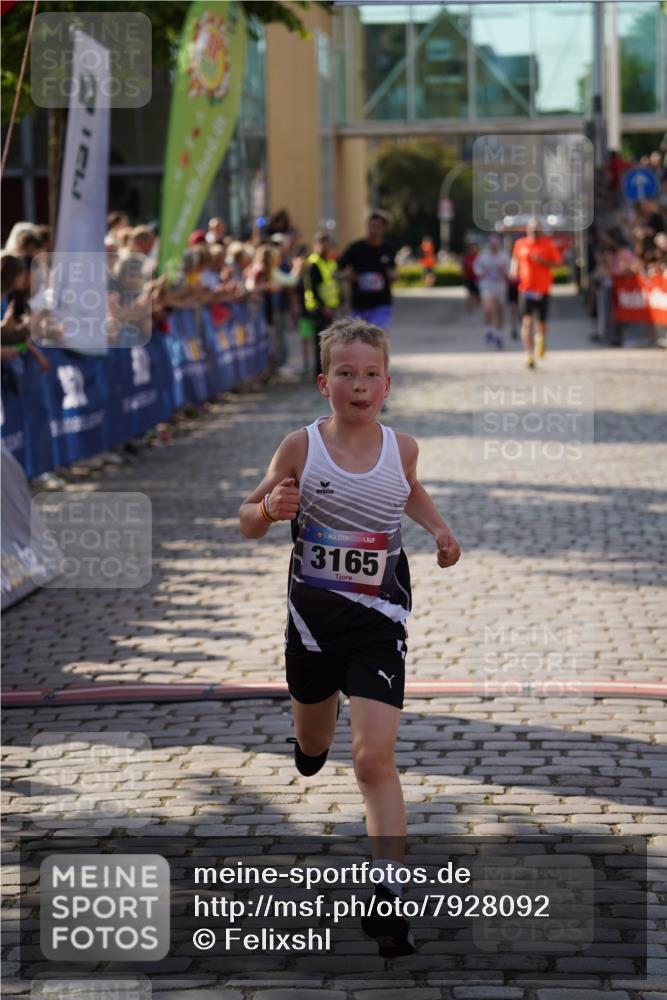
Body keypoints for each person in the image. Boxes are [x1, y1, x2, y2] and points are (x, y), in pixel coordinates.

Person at [238, 317, 461, 957]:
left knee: (372, 759)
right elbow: (249, 518)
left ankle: (386, 898)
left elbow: (408, 490)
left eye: (370, 375)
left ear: (387, 385)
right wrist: (269, 510)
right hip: (312, 624)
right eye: (345, 374)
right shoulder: (299, 449)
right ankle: (311, 740)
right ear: (323, 383)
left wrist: (439, 530)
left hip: (378, 624)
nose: (358, 386)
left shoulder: (404, 447)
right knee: (315, 739)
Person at [509, 219, 561, 369]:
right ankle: (529, 355)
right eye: (531, 229)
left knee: (542, 323)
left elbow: (558, 263)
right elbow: (515, 259)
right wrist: (513, 270)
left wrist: (543, 261)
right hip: (526, 289)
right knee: (527, 321)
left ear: (541, 231)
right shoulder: (520, 244)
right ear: (527, 230)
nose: (534, 231)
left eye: (537, 229)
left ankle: (540, 338)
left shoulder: (548, 244)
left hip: (543, 289)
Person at [337, 211, 396, 330]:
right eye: (372, 226)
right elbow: (336, 272)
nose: (374, 231)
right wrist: (349, 276)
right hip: (359, 306)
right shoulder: (355, 248)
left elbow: (393, 271)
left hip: (382, 304)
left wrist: (393, 276)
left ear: (383, 229)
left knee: (376, 337)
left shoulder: (388, 248)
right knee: (359, 342)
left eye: (378, 227)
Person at [303, 231, 341, 378]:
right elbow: (313, 287)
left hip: (330, 307)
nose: (325, 246)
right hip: (319, 309)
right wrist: (323, 306)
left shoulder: (330, 262)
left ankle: (327, 370)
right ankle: (319, 372)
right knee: (321, 343)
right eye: (322, 243)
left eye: (327, 243)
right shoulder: (314, 263)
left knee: (329, 342)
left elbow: (333, 284)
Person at [473, 235, 510, 349]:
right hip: (487, 285)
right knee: (488, 308)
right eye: (492, 245)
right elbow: (477, 267)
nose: (494, 247)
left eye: (496, 245)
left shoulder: (504, 256)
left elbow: (509, 270)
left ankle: (499, 335)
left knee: (499, 310)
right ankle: (488, 333)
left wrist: (504, 271)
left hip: (500, 285)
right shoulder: (484, 256)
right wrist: (481, 273)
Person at [461, 241, 480, 318]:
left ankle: (475, 308)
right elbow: (463, 268)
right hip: (469, 278)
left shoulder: (477, 256)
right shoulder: (466, 257)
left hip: (477, 279)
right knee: (470, 295)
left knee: (477, 296)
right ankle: (471, 311)